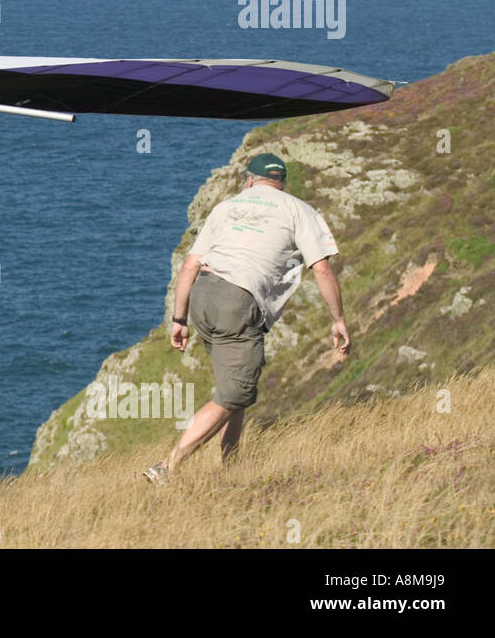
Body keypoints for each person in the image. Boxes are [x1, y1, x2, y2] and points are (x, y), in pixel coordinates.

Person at [143, 153, 351, 483]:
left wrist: (179, 320)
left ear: (250, 180)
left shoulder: (226, 208)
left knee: (235, 387)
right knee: (236, 392)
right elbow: (322, 267)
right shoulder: (298, 209)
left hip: (202, 296)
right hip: (238, 301)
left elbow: (189, 266)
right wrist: (338, 319)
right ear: (281, 183)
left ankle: (232, 468)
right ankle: (168, 466)